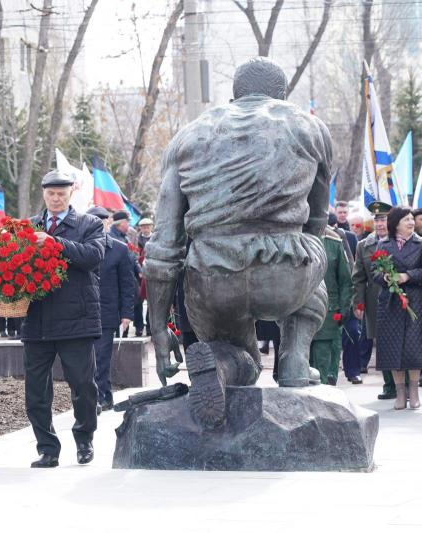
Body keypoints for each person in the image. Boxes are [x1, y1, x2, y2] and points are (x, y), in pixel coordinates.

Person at [145, 58, 332, 428]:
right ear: (282, 95)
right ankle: (294, 357)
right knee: (313, 250)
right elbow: (317, 220)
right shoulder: (309, 127)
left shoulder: (188, 136)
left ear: (234, 96)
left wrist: (158, 327)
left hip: (211, 276)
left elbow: (163, 246)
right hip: (287, 271)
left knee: (238, 354)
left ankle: (220, 364)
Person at [22, 170, 104, 468]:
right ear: (43, 194)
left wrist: (54, 243)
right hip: (37, 321)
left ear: (71, 194)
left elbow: (93, 256)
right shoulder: (28, 226)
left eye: (61, 193)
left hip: (76, 320)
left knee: (83, 386)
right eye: (51, 193)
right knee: (36, 392)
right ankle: (47, 449)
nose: (55, 198)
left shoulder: (89, 224)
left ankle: (84, 439)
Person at [87, 206, 135, 412]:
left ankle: (97, 398)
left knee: (101, 356)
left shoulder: (119, 249)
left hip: (107, 312)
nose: (99, 224)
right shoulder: (80, 246)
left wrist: (127, 314)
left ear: (108, 222)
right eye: (93, 220)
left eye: (102, 221)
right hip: (82, 311)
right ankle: (105, 395)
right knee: (87, 359)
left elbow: (127, 284)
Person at [374, 206, 422, 410]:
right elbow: (374, 272)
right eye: (406, 220)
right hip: (391, 302)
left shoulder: (420, 243)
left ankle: (414, 390)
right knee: (392, 348)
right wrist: (385, 277)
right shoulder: (383, 244)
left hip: (415, 301)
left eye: (412, 219)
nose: (411, 222)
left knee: (414, 347)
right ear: (396, 224)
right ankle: (400, 391)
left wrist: (408, 276)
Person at [353, 202, 393, 398]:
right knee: (382, 343)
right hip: (374, 300)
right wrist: (358, 304)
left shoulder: (399, 241)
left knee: (399, 341)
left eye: (383, 219)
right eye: (377, 220)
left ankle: (404, 384)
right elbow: (359, 278)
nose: (380, 224)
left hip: (397, 298)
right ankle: (390, 385)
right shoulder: (364, 245)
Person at [309, 227, 353, 385]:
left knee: (323, 358)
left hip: (328, 311)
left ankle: (325, 388)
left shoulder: (334, 244)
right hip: (300, 310)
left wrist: (344, 308)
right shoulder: (295, 240)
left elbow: (345, 281)